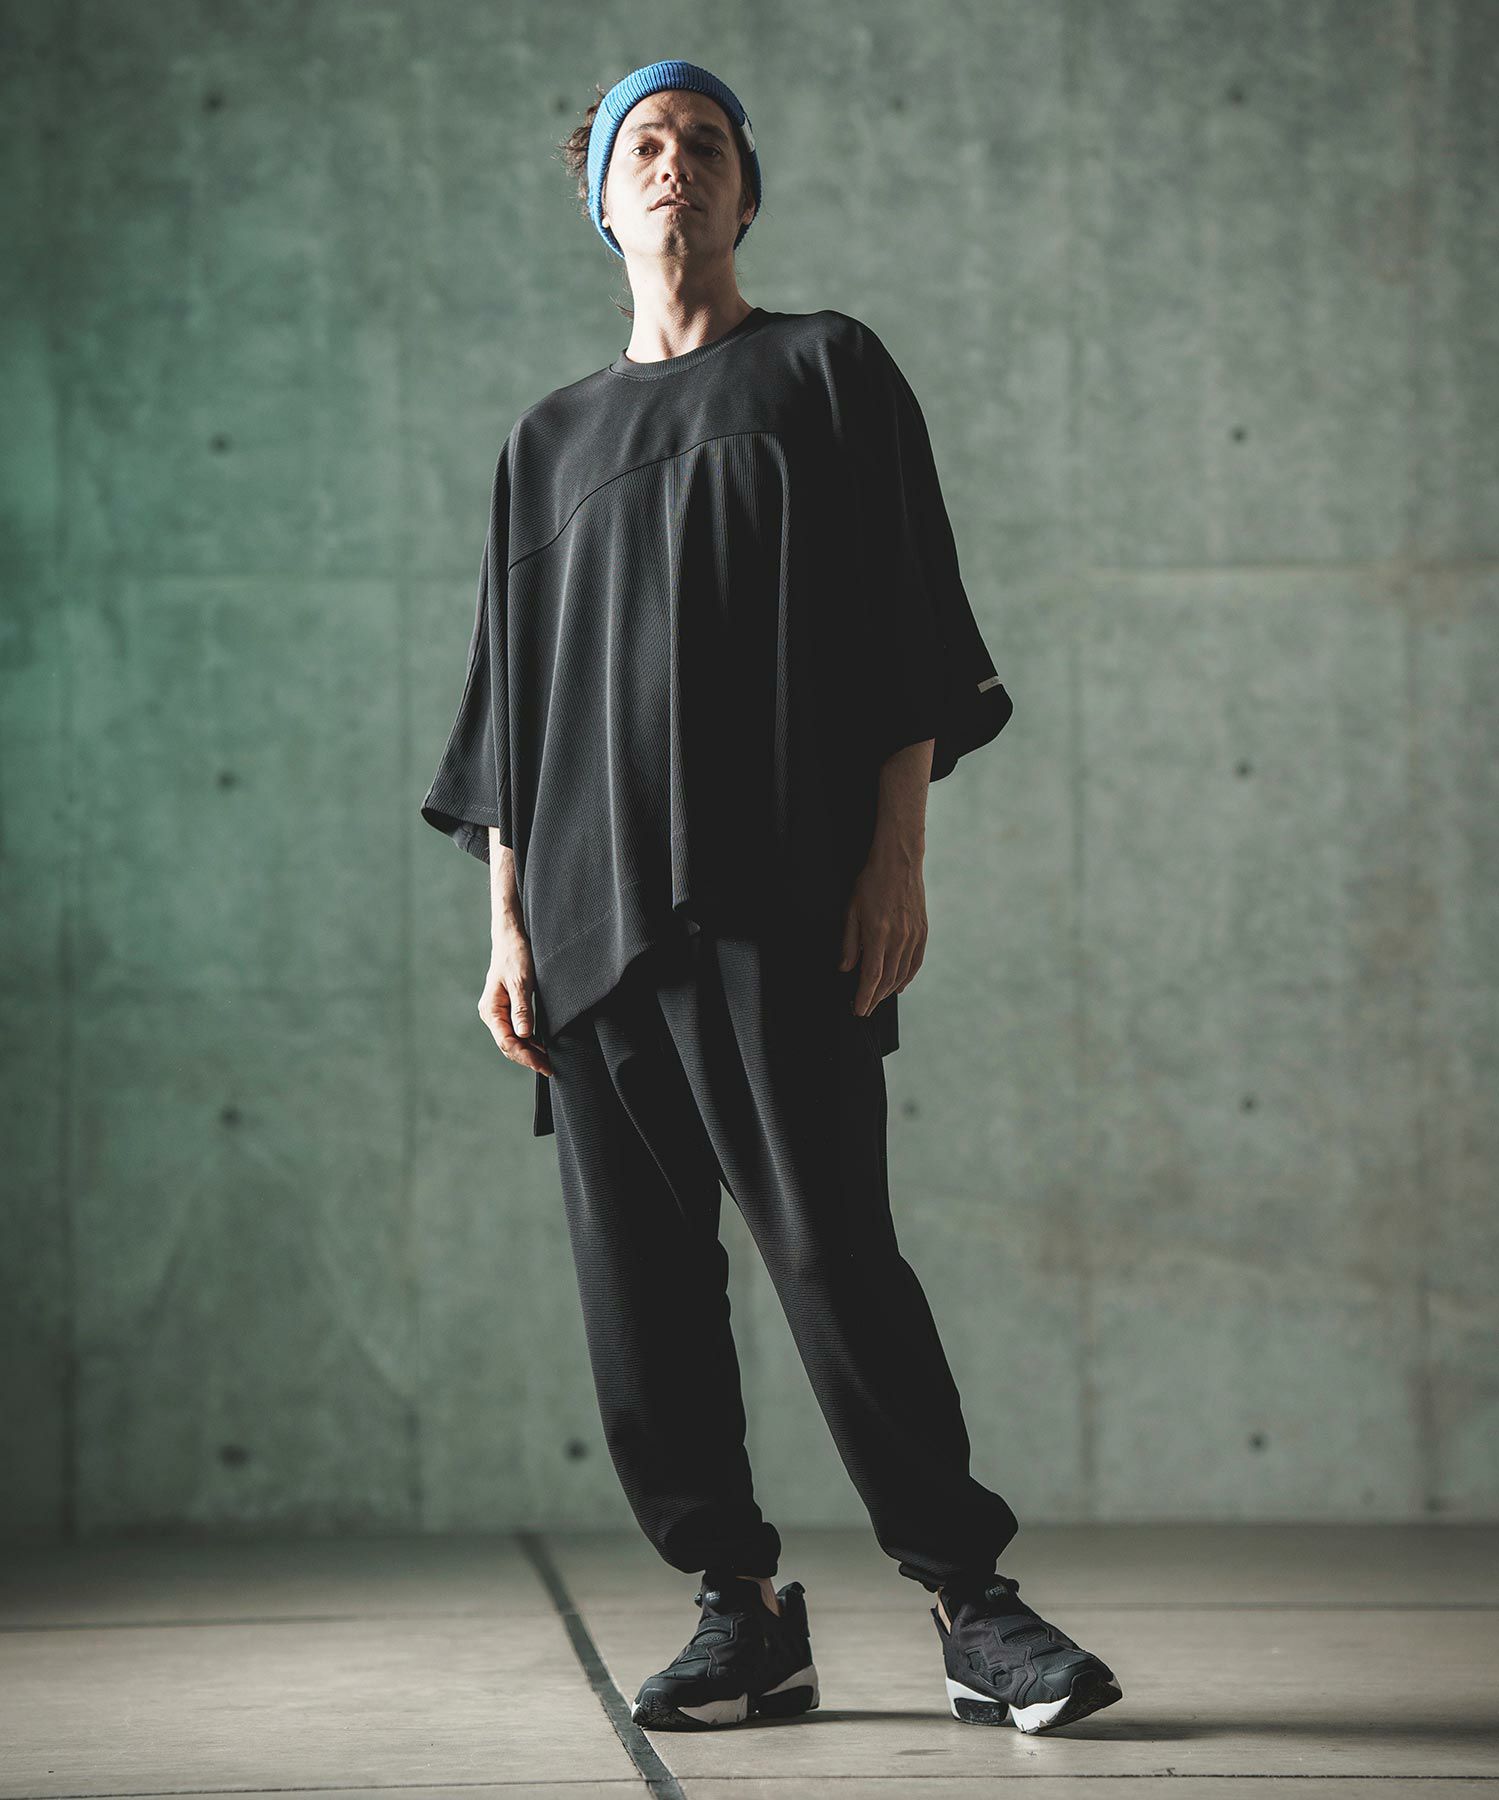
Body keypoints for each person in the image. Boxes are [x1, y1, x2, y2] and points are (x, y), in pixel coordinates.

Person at [419, 58, 1122, 1737]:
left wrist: (896, 855)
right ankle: (737, 1611)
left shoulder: (825, 370)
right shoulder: (546, 443)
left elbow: (906, 623)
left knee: (829, 1249)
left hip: (772, 895)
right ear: (601, 197)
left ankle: (972, 1604)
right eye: (645, 145)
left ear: (748, 191)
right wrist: (506, 926)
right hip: (583, 919)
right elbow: (512, 714)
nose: (676, 164)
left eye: (707, 144)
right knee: (640, 1295)